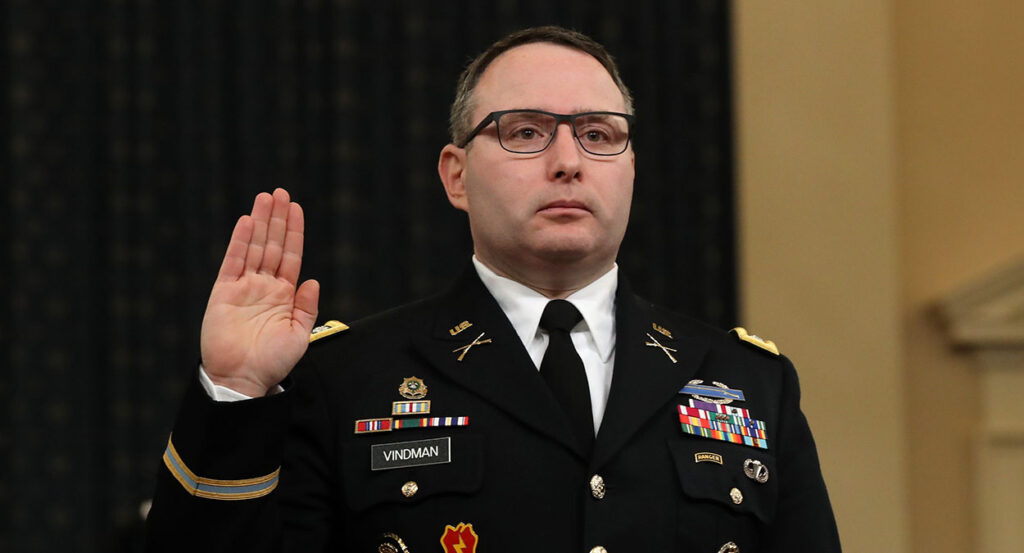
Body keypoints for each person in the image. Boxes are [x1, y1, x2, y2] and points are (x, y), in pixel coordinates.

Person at [145, 26, 841, 553]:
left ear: (631, 168)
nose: (568, 162)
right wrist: (233, 393)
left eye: (599, 134)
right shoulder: (348, 378)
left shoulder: (748, 383)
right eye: (526, 132)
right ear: (455, 174)